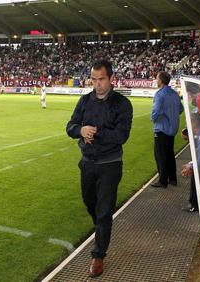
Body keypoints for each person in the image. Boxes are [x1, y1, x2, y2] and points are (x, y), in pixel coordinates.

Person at [66, 60, 133, 278]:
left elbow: (121, 136)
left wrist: (95, 133)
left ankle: (99, 254)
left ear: (111, 79)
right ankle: (102, 229)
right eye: (94, 80)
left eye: (101, 79)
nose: (97, 84)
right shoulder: (85, 100)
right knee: (90, 203)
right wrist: (80, 130)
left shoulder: (122, 104)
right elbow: (70, 126)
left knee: (104, 211)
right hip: (87, 163)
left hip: (110, 164)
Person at [151, 71, 183, 188]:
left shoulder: (160, 94)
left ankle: (162, 181)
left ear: (161, 80)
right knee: (169, 154)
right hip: (172, 129)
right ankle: (173, 179)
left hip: (161, 129)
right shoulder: (174, 93)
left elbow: (156, 110)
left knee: (160, 155)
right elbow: (180, 109)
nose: (156, 80)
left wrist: (153, 118)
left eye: (157, 78)